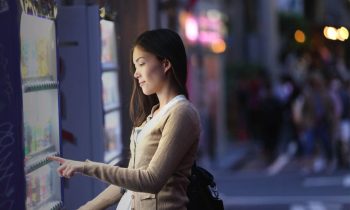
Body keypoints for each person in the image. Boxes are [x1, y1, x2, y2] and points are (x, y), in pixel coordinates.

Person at [49, 28, 201, 210]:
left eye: (142, 63)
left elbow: (151, 180)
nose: (136, 74)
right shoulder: (153, 114)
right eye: (135, 66)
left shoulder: (181, 113)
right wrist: (88, 207)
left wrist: (86, 167)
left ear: (165, 63)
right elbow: (128, 181)